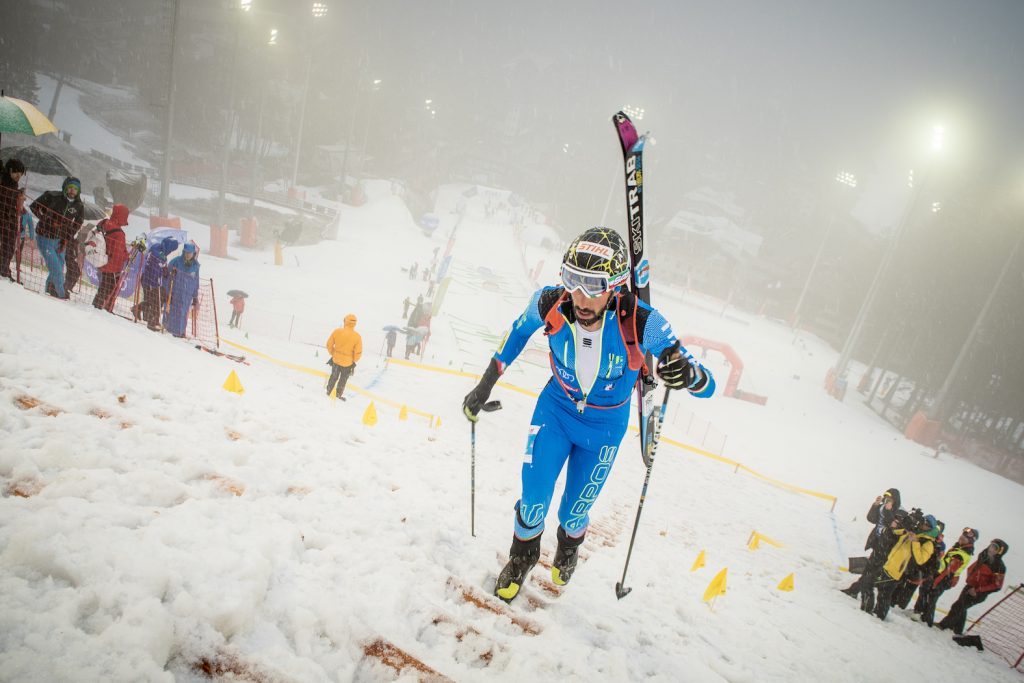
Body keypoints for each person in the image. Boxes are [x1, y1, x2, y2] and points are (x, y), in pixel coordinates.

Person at [462, 227, 715, 602]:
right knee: (533, 500)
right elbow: (515, 336)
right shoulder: (549, 301)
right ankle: (522, 557)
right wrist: (484, 386)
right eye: (572, 281)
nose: (580, 297)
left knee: (573, 511)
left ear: (613, 285)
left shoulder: (643, 321)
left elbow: (706, 384)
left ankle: (569, 544)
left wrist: (690, 375)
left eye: (593, 285)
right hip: (556, 411)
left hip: (605, 428)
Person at [868, 512, 938, 621]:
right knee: (882, 591)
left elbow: (920, 560)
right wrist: (904, 528)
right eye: (923, 522)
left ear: (930, 528)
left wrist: (915, 542)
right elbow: (894, 532)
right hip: (890, 564)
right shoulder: (914, 532)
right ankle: (878, 612)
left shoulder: (928, 543)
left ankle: (879, 615)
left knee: (884, 593)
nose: (923, 525)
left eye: (926, 524)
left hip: (899, 571)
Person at [937, 538, 1008, 635]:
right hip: (970, 586)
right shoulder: (984, 556)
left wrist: (978, 590)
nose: (990, 548)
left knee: (958, 606)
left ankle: (943, 625)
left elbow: (996, 586)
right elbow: (974, 569)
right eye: (991, 545)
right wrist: (970, 580)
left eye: (994, 547)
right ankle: (957, 631)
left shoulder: (999, 566)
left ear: (999, 552)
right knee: (961, 607)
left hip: (978, 592)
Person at [841, 488, 901, 599]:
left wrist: (888, 511)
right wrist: (875, 505)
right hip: (877, 543)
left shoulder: (898, 512)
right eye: (886, 497)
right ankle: (856, 590)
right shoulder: (882, 507)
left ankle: (861, 592)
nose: (887, 500)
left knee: (872, 573)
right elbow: (871, 518)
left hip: (886, 547)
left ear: (895, 499)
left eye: (890, 498)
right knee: (869, 570)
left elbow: (893, 526)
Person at [31, 176, 84, 299]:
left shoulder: (79, 206)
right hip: (44, 237)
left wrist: (67, 238)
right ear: (65, 188)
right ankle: (61, 293)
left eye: (75, 189)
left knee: (59, 267)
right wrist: (48, 220)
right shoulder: (52, 196)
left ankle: (50, 289)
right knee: (57, 270)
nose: (72, 191)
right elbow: (34, 206)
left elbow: (78, 223)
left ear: (78, 191)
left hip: (60, 241)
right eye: (70, 187)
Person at [914, 527, 977, 627]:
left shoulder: (962, 554)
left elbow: (948, 571)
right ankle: (921, 614)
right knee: (927, 593)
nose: (960, 539)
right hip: (940, 576)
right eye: (961, 537)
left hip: (944, 579)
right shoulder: (959, 548)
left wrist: (936, 582)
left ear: (970, 541)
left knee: (931, 597)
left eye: (964, 539)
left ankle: (926, 620)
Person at [90, 204, 130, 311]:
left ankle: (97, 305)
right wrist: (127, 256)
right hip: (111, 266)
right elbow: (118, 253)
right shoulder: (119, 234)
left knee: (103, 287)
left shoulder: (104, 223)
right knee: (108, 288)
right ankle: (99, 307)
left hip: (100, 259)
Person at [138, 237, 177, 331]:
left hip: (145, 278)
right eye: (171, 249)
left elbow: (163, 269)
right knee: (156, 302)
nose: (170, 252)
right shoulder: (161, 257)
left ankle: (139, 311)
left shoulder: (155, 248)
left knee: (149, 300)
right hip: (153, 281)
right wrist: (157, 283)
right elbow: (158, 270)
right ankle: (153, 322)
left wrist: (167, 273)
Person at [163, 242, 201, 338]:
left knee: (183, 313)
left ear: (193, 254)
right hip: (174, 292)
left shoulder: (196, 266)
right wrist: (167, 292)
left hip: (187, 295)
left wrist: (195, 296)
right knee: (172, 311)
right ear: (183, 252)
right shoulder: (175, 262)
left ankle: (181, 332)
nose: (188, 255)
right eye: (186, 252)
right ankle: (168, 329)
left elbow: (196, 282)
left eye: (190, 253)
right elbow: (166, 277)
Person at [0, 158, 26, 281]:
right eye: (16, 173)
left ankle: (4, 269)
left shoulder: (14, 184)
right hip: (3, 217)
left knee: (9, 246)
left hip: (9, 219)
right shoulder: (2, 181)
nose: (18, 176)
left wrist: (19, 196)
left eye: (21, 173)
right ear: (9, 170)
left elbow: (12, 202)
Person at [325, 314, 362, 400]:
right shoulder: (357, 336)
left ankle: (329, 391)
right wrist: (353, 360)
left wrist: (333, 353)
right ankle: (338, 394)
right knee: (343, 379)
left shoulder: (337, 331)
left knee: (334, 376)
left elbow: (329, 344)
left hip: (336, 360)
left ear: (345, 321)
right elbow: (358, 352)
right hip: (348, 363)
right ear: (355, 324)